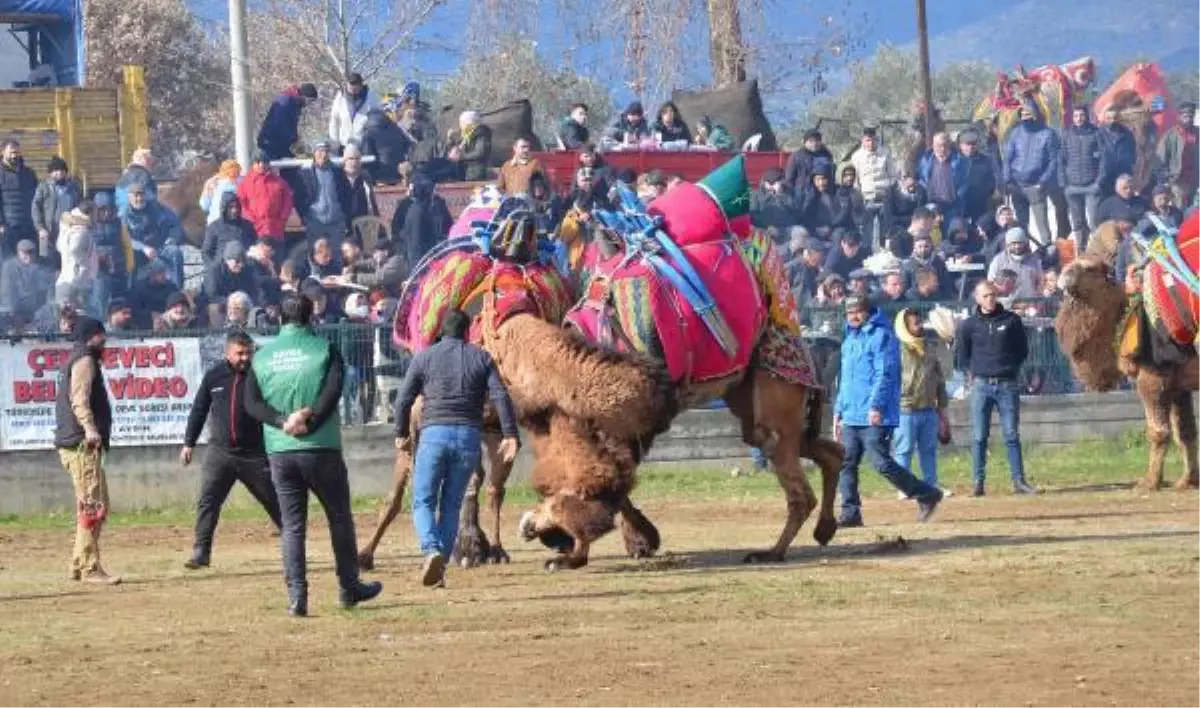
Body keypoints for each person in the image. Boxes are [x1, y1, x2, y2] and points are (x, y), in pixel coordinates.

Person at [243, 294, 382, 616]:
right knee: (338, 518)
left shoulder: (262, 358)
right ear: (312, 317)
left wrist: (283, 422)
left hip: (280, 450)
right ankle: (349, 588)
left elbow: (251, 404)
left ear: (279, 317)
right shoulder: (324, 350)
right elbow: (333, 392)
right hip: (322, 449)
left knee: (292, 526)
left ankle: (297, 597)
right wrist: (311, 421)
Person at [393, 309, 520, 588]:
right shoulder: (481, 357)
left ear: (442, 330)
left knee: (423, 500)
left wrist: (400, 433)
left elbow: (403, 399)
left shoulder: (424, 357)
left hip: (434, 434)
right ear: (467, 332)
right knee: (450, 504)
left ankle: (431, 549)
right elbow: (500, 394)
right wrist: (510, 433)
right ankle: (439, 569)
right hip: (469, 436)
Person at [833, 294, 944, 527]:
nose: (853, 316)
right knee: (846, 462)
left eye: (858, 311)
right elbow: (844, 379)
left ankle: (927, 494)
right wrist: (838, 411)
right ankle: (850, 512)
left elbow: (884, 374)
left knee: (881, 462)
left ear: (868, 311)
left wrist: (876, 406)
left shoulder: (882, 336)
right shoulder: (849, 339)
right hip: (851, 413)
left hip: (875, 414)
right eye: (849, 312)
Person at [181, 330, 283, 569]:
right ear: (227, 353)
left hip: (253, 454)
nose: (245, 358)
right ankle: (201, 552)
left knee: (275, 500)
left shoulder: (260, 375)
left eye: (248, 352)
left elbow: (272, 408)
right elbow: (199, 409)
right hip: (220, 453)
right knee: (208, 502)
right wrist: (189, 443)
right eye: (240, 353)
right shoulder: (214, 376)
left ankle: (294, 543)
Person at [54, 316, 121, 584]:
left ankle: (78, 563)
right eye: (100, 335)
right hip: (82, 445)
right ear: (92, 336)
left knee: (94, 504)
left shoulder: (79, 358)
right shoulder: (85, 361)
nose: (104, 340)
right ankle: (90, 567)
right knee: (93, 506)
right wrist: (91, 430)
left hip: (78, 444)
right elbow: (79, 400)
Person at [955, 281, 1036, 497]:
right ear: (977, 299)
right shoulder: (968, 325)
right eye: (985, 296)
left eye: (993, 295)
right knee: (979, 436)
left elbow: (1022, 350)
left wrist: (1009, 368)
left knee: (1011, 434)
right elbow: (963, 355)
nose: (990, 299)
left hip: (1007, 384)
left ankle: (1019, 481)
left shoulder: (1011, 320)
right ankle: (977, 482)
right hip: (981, 385)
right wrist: (973, 374)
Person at [894, 308, 950, 494]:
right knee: (904, 450)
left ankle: (930, 485)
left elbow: (939, 380)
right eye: (915, 323)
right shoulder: (896, 350)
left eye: (920, 321)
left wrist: (942, 411)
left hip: (928, 409)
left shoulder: (929, 348)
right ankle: (904, 487)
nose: (920, 326)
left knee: (928, 450)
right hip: (905, 410)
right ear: (904, 327)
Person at [1004, 102, 1065, 242]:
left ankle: (1048, 255)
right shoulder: (1016, 133)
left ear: (1036, 114)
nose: (1026, 117)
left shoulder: (1048, 133)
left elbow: (1053, 161)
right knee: (1021, 227)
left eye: (1029, 114)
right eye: (1023, 114)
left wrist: (1042, 181)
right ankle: (1023, 253)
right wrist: (1007, 180)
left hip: (1035, 186)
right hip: (1016, 185)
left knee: (1042, 227)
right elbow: (1008, 158)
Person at [122, 182, 185, 287]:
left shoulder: (158, 209)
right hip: (138, 251)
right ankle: (131, 294)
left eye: (141, 194)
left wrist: (170, 241)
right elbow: (125, 238)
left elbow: (175, 226)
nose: (139, 198)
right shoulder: (124, 215)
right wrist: (144, 248)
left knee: (175, 252)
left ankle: (176, 290)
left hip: (160, 248)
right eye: (136, 196)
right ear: (129, 198)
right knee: (129, 258)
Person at [1061, 106, 1105, 250]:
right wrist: (1064, 183)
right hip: (1072, 186)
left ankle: (1098, 251)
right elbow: (1060, 159)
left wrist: (1099, 181)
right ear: (1072, 118)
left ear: (1087, 116)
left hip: (1091, 185)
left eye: (1081, 115)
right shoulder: (1067, 134)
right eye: (1076, 116)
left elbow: (1104, 159)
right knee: (1078, 223)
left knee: (1094, 222)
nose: (1079, 119)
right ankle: (1081, 251)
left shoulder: (1096, 133)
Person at [295, 140, 350, 247]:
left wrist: (344, 214)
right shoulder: (305, 173)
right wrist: (304, 217)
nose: (323, 155)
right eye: (320, 152)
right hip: (315, 222)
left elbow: (346, 193)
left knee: (337, 254)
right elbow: (298, 198)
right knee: (317, 254)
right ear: (314, 154)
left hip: (336, 221)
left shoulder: (337, 172)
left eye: (326, 152)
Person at [392, 173, 452, 271]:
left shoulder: (437, 203)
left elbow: (448, 226)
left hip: (437, 248)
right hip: (420, 259)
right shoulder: (416, 211)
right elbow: (416, 243)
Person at [237, 151, 295, 253]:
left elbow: (288, 201)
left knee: (277, 260)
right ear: (253, 164)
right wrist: (252, 221)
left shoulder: (279, 181)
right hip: (255, 229)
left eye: (264, 162)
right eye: (258, 162)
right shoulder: (245, 182)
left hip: (275, 228)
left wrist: (282, 219)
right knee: (257, 260)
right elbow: (241, 204)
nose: (261, 165)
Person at [850, 127, 897, 247]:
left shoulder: (885, 153)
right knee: (867, 231)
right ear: (863, 141)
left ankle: (884, 253)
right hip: (866, 198)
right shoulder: (857, 157)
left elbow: (892, 174)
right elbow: (855, 179)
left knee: (885, 230)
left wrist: (888, 188)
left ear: (876, 140)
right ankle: (867, 255)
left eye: (873, 140)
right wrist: (859, 196)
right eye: (867, 140)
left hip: (884, 196)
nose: (870, 143)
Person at [32, 155, 82, 267]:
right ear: (50, 173)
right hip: (49, 232)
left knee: (68, 262)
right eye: (55, 170)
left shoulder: (73, 187)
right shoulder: (44, 187)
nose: (59, 173)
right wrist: (40, 228)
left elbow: (79, 207)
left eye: (61, 170)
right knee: (47, 264)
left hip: (68, 232)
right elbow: (36, 207)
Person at [257, 83, 319, 161]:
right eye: (310, 100)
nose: (309, 104)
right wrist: (293, 140)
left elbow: (291, 126)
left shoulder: (295, 104)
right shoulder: (286, 102)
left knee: (292, 167)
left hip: (280, 144)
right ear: (304, 96)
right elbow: (278, 125)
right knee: (277, 168)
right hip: (271, 144)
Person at [204, 241, 260, 325]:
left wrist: (246, 302)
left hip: (241, 303)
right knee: (215, 308)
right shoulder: (214, 271)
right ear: (227, 260)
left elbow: (253, 291)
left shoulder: (247, 270)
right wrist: (232, 302)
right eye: (237, 261)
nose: (241, 264)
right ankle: (219, 333)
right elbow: (211, 296)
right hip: (220, 303)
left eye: (243, 261)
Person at [1, 238, 53, 327]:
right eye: (25, 253)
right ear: (18, 253)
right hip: (15, 313)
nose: (28, 255)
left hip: (36, 313)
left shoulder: (39, 268)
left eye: (31, 252)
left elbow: (45, 290)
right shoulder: (10, 267)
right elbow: (7, 293)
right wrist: (13, 313)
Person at [55, 201, 96, 312]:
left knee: (65, 320)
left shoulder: (66, 225)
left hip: (65, 281)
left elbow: (59, 246)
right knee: (76, 319)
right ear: (91, 213)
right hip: (75, 282)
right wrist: (81, 263)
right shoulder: (81, 231)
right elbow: (75, 248)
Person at [918, 132, 968, 220]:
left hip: (952, 206)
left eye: (945, 145)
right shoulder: (926, 160)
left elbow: (964, 184)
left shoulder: (959, 161)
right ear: (933, 145)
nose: (942, 148)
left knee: (951, 231)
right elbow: (922, 180)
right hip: (931, 205)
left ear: (949, 145)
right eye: (939, 145)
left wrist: (959, 199)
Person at [0, 139, 38, 255]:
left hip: (29, 225)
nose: (14, 156)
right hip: (9, 226)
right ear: (2, 152)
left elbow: (37, 199)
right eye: (11, 152)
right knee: (9, 260)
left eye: (16, 152)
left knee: (30, 260)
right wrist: (1, 224)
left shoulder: (28, 173)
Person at [1158, 101, 1198, 209]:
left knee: (1195, 212)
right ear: (1179, 116)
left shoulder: (1198, 133)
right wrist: (1165, 180)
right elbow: (1160, 160)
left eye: (1191, 115)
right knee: (1179, 211)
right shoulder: (1170, 135)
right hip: (1177, 181)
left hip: (1195, 180)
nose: (1188, 118)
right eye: (1185, 116)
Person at [201, 192, 257, 266]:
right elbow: (206, 252)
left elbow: (255, 248)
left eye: (236, 207)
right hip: (222, 271)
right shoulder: (214, 227)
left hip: (245, 269)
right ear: (224, 208)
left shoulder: (248, 226)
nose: (234, 210)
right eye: (230, 207)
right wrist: (213, 270)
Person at [328, 73, 378, 153]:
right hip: (344, 145)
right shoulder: (340, 97)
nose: (353, 88)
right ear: (347, 84)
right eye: (351, 85)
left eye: (356, 86)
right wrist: (334, 142)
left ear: (361, 85)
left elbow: (378, 121)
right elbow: (334, 121)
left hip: (364, 145)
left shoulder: (371, 97)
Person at [987, 227, 1042, 300]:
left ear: (1025, 243)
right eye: (1013, 243)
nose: (1017, 246)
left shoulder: (1034, 260)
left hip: (1030, 303)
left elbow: (1041, 281)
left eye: (1020, 243)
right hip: (1006, 305)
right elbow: (990, 283)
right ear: (1008, 244)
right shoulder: (998, 260)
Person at [359, 108, 411, 185]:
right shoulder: (396, 129)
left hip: (380, 177)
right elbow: (407, 145)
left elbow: (367, 156)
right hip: (398, 174)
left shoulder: (369, 132)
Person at [957, 128, 998, 227]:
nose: (971, 147)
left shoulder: (987, 160)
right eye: (967, 144)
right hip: (959, 206)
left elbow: (995, 178)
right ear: (961, 145)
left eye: (973, 144)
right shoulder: (955, 161)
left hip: (982, 206)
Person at [1099, 104, 1137, 197]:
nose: (1112, 121)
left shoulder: (1128, 134)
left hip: (1123, 176)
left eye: (1115, 118)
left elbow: (1133, 153)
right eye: (1109, 118)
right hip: (1105, 177)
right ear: (1104, 119)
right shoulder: (1098, 134)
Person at [750, 168, 802, 232]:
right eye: (768, 182)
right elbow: (753, 216)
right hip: (763, 230)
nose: (771, 185)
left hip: (786, 231)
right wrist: (767, 226)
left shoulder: (791, 195)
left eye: (774, 182)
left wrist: (779, 194)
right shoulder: (755, 195)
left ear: (782, 182)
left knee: (800, 231)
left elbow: (795, 216)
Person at [784, 129, 834, 195]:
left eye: (817, 140)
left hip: (824, 193)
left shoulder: (827, 155)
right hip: (803, 194)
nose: (814, 143)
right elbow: (789, 179)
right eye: (811, 141)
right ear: (804, 142)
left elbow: (831, 176)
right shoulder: (796, 156)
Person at [446, 111, 492, 182]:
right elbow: (455, 150)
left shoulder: (481, 134)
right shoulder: (466, 135)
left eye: (462, 123)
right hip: (464, 171)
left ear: (469, 123)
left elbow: (480, 152)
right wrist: (450, 139)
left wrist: (461, 157)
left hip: (475, 173)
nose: (460, 125)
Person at [340, 144, 379, 223]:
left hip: (363, 222)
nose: (354, 162)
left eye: (357, 159)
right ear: (344, 161)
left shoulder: (366, 178)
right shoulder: (338, 179)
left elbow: (371, 203)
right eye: (351, 159)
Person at [114, 148, 157, 216]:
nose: (153, 165)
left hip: (123, 213)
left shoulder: (126, 175)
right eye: (150, 161)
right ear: (145, 160)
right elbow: (149, 198)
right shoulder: (142, 175)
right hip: (138, 215)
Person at [199, 159, 243, 226]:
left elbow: (204, 205)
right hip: (239, 222)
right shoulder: (244, 181)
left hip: (216, 222)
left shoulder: (212, 182)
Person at [884, 170, 928, 235]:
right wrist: (910, 220)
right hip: (897, 228)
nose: (912, 188)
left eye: (914, 184)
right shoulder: (891, 193)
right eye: (910, 186)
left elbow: (922, 213)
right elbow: (889, 218)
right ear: (902, 180)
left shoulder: (921, 191)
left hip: (916, 227)